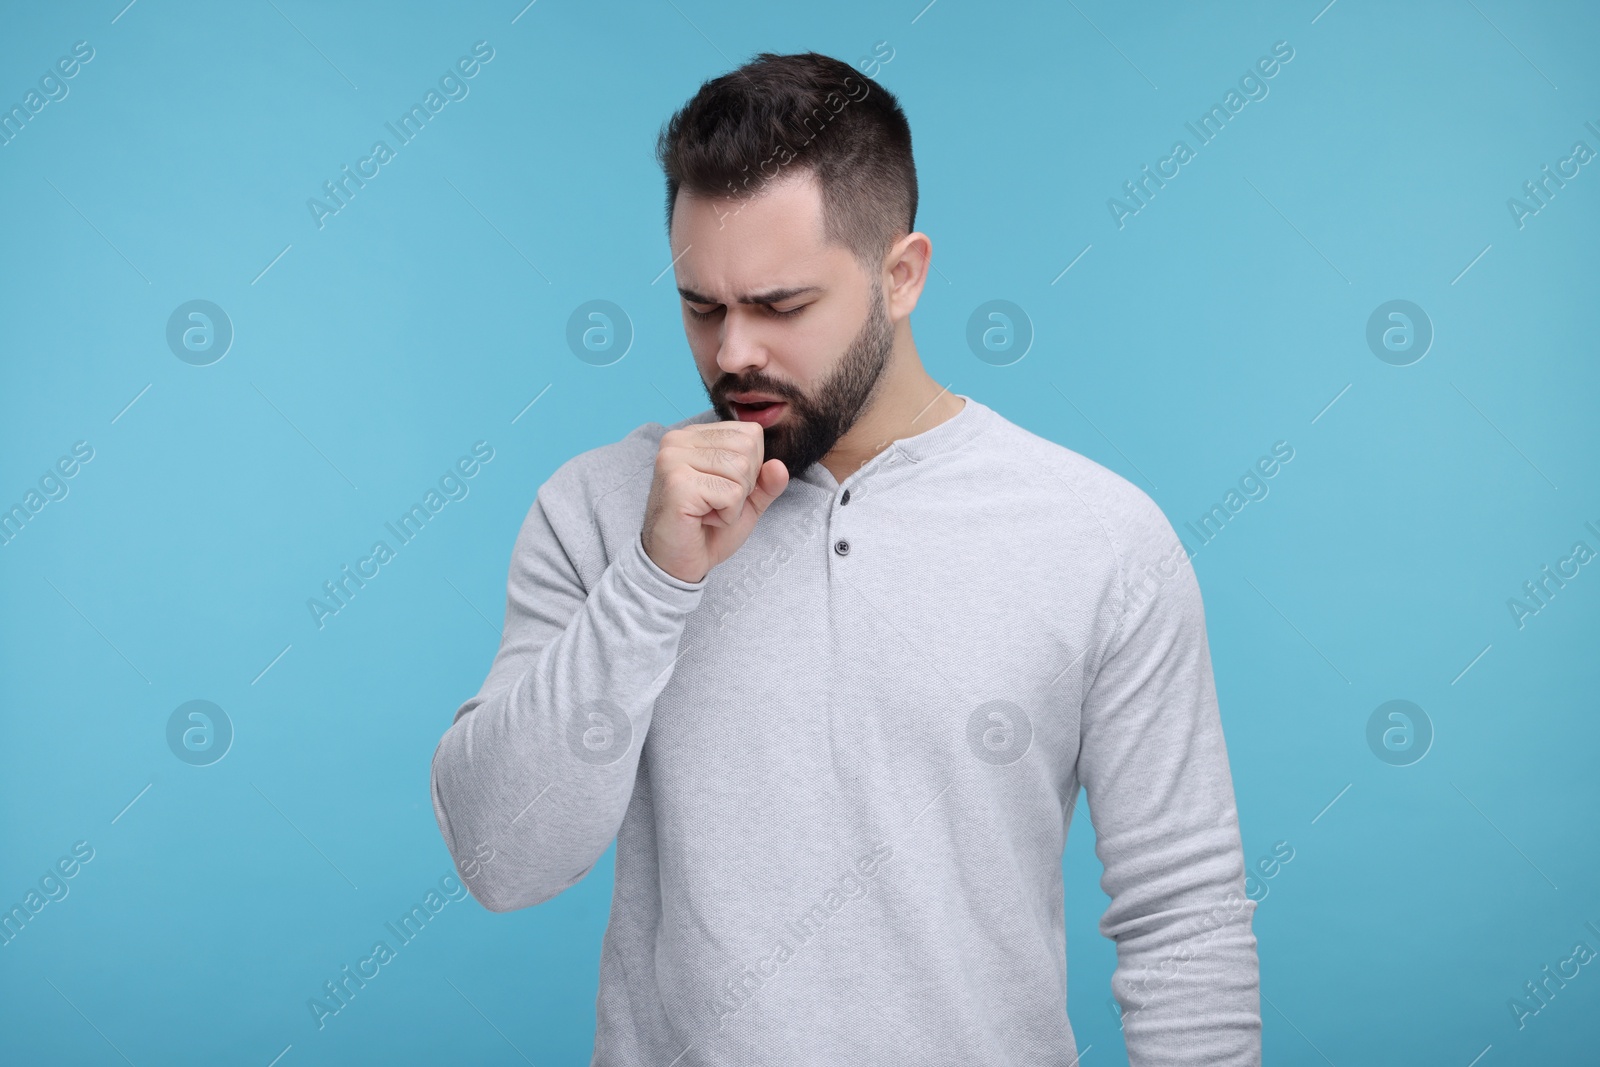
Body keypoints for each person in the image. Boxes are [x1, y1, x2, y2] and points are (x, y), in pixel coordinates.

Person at [429, 50, 1261, 1066]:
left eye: (780, 307)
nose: (733, 352)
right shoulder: (602, 509)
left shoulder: (1100, 536)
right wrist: (652, 582)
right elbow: (498, 859)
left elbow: (1184, 915)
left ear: (900, 275)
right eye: (701, 305)